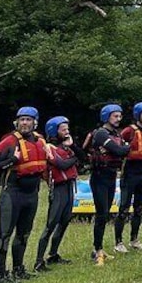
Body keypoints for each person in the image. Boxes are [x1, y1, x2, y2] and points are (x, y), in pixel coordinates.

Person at [0, 107, 50, 283]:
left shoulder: (40, 141)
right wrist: (12, 160)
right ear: (17, 122)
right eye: (22, 120)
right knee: (4, 234)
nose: (24, 123)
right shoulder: (8, 142)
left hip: (31, 194)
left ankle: (18, 269)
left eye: (28, 120)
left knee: (24, 234)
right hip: (12, 194)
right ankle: (1, 276)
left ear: (35, 122)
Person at [34, 116, 83, 272]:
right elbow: (61, 164)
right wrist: (74, 158)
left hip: (69, 186)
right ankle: (38, 261)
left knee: (65, 220)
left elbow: (83, 158)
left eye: (67, 129)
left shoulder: (67, 147)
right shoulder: (48, 147)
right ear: (55, 131)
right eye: (64, 129)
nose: (67, 132)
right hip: (58, 188)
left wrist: (73, 148)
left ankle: (53, 254)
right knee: (51, 224)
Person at [88, 104, 131, 265]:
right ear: (107, 117)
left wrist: (122, 148)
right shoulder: (100, 133)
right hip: (99, 177)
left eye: (120, 116)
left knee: (105, 214)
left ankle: (99, 248)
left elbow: (121, 149)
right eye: (115, 116)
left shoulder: (116, 134)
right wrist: (123, 147)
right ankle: (96, 249)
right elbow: (121, 151)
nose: (119, 119)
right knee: (101, 213)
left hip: (111, 176)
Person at [113, 102, 142, 253]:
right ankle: (118, 242)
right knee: (124, 208)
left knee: (138, 208)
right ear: (138, 115)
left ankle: (134, 239)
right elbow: (116, 146)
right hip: (130, 172)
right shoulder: (128, 131)